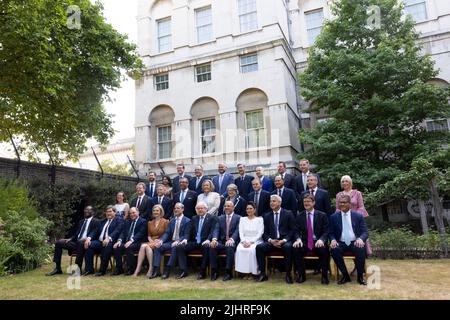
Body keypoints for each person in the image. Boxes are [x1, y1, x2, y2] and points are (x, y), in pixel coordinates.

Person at [46, 206, 100, 276]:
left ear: (92, 212)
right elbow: (77, 234)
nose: (86, 211)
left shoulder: (96, 221)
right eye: (85, 210)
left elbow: (94, 232)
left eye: (88, 210)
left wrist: (87, 238)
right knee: (58, 243)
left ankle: (78, 268)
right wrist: (70, 239)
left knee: (80, 242)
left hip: (86, 244)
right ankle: (57, 268)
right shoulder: (81, 222)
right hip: (76, 242)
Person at [329, 195, 369, 285]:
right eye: (340, 202)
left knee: (360, 248)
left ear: (349, 204)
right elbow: (330, 232)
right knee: (334, 250)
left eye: (344, 202)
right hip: (341, 243)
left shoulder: (358, 216)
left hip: (354, 242)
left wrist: (360, 239)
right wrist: (333, 240)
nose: (342, 204)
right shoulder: (333, 217)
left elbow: (365, 232)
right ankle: (345, 275)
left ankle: (360, 277)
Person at [256, 195, 295, 284]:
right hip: (272, 241)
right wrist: (270, 240)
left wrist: (284, 240)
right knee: (259, 247)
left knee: (288, 247)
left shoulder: (288, 213)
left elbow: (292, 230)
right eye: (271, 201)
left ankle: (288, 274)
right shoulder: (266, 216)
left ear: (280, 203)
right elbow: (264, 232)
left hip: (284, 241)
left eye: (274, 201)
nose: (271, 203)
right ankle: (262, 274)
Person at [293, 194, 330, 285]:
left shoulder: (322, 215)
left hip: (318, 241)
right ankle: (302, 275)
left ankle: (324, 276)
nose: (306, 203)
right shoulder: (300, 216)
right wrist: (298, 239)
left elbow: (327, 231)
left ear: (313, 203)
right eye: (304, 202)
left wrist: (322, 239)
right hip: (305, 241)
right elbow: (296, 230)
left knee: (324, 250)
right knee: (296, 249)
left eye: (308, 201)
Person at [174, 202, 218, 279]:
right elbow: (188, 230)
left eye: (202, 208)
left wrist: (208, 239)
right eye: (198, 208)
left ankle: (202, 272)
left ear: (206, 209)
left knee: (207, 247)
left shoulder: (212, 218)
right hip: (194, 242)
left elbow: (212, 231)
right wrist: (185, 239)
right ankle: (183, 271)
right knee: (180, 247)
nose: (200, 210)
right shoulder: (194, 218)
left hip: (205, 242)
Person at [155, 203, 191, 279]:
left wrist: (178, 241)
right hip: (171, 242)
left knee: (175, 247)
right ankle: (156, 270)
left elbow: (186, 235)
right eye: (175, 208)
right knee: (158, 247)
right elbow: (167, 233)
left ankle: (167, 270)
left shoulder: (187, 221)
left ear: (182, 209)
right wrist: (161, 240)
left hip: (180, 242)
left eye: (178, 208)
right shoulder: (172, 220)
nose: (176, 210)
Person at [85, 206, 124, 276]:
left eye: (110, 211)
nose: (108, 213)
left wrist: (109, 238)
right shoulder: (102, 221)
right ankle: (89, 269)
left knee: (107, 246)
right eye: (107, 212)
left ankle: (102, 270)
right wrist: (89, 238)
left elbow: (117, 231)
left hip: (111, 242)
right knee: (89, 245)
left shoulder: (119, 220)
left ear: (114, 212)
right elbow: (95, 231)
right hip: (100, 241)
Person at [133, 205, 169, 278]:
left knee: (144, 246)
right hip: (151, 241)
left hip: (161, 241)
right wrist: (151, 241)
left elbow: (167, 234)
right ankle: (147, 268)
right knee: (144, 246)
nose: (155, 212)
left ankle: (143, 269)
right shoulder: (150, 222)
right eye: (154, 210)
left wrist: (159, 240)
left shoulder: (166, 221)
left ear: (161, 211)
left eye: (157, 210)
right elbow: (149, 235)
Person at [209, 201, 241, 281]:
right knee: (212, 246)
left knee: (229, 247)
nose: (226, 207)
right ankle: (215, 271)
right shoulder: (220, 218)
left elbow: (237, 231)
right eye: (225, 206)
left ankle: (228, 272)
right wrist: (214, 239)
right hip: (221, 241)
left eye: (228, 206)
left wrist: (231, 239)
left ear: (233, 208)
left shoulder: (239, 218)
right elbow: (216, 229)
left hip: (232, 242)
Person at [112, 207, 147, 275]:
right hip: (127, 242)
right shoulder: (127, 221)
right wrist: (119, 241)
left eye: (133, 213)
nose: (132, 214)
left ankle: (132, 269)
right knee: (117, 247)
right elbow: (123, 233)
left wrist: (131, 240)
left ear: (138, 212)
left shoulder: (143, 221)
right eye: (130, 213)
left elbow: (141, 233)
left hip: (138, 242)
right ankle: (119, 269)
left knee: (129, 247)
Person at [234, 202, 264, 277]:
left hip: (256, 240)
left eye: (251, 208)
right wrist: (243, 241)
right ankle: (243, 272)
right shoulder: (242, 219)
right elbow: (241, 232)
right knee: (240, 249)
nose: (249, 210)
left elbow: (260, 233)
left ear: (254, 210)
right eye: (247, 209)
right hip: (244, 240)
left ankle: (253, 272)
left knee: (252, 250)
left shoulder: (259, 220)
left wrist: (251, 242)